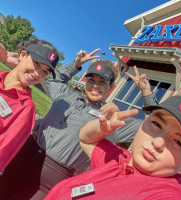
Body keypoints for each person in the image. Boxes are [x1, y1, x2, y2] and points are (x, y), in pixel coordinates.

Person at [0, 47, 156, 200]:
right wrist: (76, 64)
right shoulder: (67, 96)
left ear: (111, 87)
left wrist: (147, 94)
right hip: (20, 155)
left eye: (102, 82)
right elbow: (56, 78)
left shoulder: (112, 119)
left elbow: (153, 128)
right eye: (91, 80)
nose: (95, 85)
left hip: (48, 181)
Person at [44, 93, 181, 200]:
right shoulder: (120, 160)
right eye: (157, 124)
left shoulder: (167, 193)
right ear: (143, 122)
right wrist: (101, 128)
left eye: (179, 142)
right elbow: (86, 139)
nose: (158, 143)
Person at [0, 39, 59, 175]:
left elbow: (4, 151)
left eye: (45, 72)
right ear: (22, 55)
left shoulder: (25, 108)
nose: (38, 74)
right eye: (37, 64)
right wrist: (5, 54)